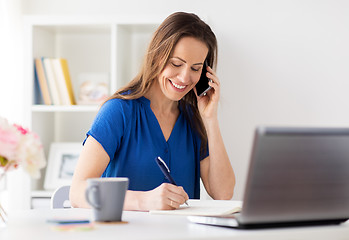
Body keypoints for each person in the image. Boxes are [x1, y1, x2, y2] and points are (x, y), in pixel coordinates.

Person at [70, 12, 235, 211]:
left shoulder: (194, 118)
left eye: (195, 68)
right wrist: (144, 201)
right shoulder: (118, 111)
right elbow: (77, 192)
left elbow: (223, 193)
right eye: (176, 63)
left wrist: (210, 118)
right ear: (158, 56)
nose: (184, 77)